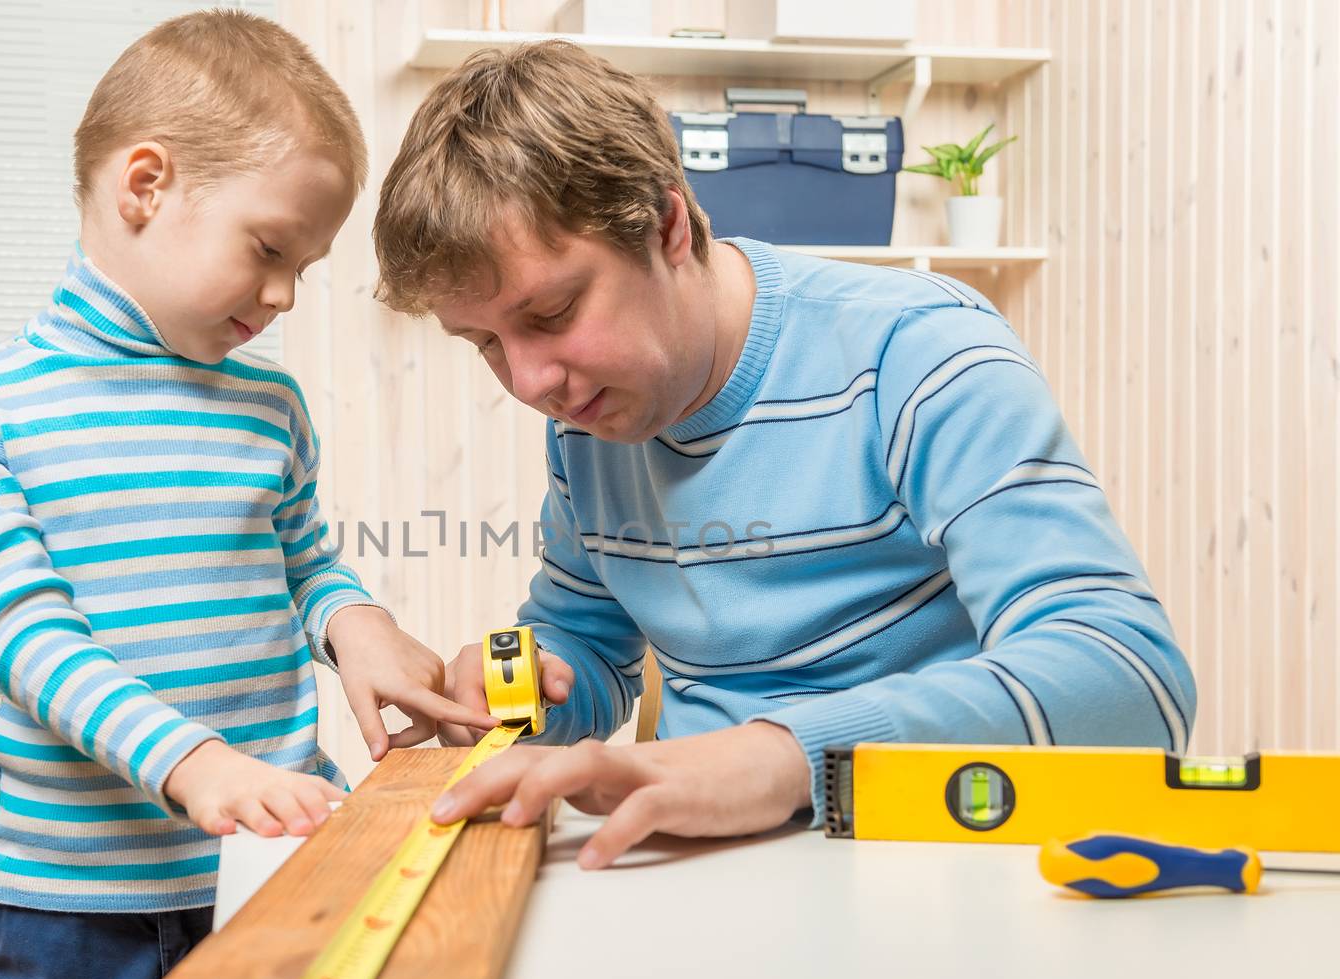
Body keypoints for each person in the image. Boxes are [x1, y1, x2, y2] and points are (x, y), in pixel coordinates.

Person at [371, 41, 1197, 870]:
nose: (529, 380)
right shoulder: (590, 415)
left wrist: (784, 757)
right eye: (484, 342)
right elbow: (586, 645)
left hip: (927, 855)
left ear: (666, 227)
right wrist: (527, 689)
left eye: (551, 313)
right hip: (698, 870)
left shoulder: (919, 352)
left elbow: (1128, 680)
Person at [0, 12, 492, 979]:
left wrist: (355, 624)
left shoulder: (268, 405)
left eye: (304, 267)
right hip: (78, 902)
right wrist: (195, 763)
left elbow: (303, 559)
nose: (282, 295)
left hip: (273, 861)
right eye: (269, 249)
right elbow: (25, 640)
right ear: (144, 185)